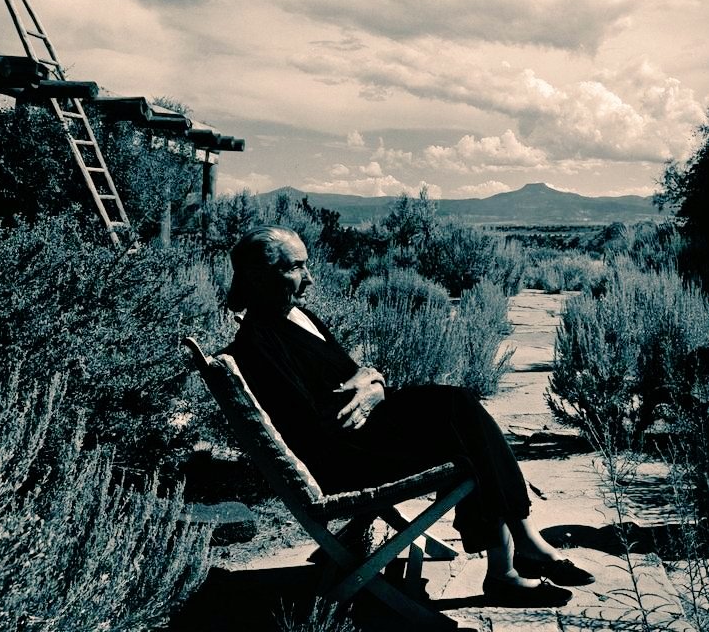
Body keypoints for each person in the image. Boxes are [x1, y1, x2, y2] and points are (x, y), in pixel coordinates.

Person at [224, 225, 594, 607]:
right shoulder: (259, 341)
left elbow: (355, 377)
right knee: (460, 418)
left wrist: (374, 382)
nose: (310, 278)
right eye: (296, 268)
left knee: (463, 422)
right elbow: (314, 422)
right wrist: (368, 385)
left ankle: (512, 561)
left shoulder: (300, 318)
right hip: (342, 460)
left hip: (362, 439)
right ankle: (516, 557)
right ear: (257, 275)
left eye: (306, 265)